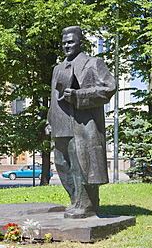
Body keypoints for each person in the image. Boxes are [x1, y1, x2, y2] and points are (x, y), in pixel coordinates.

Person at [48, 26, 116, 218]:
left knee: (82, 165)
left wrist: (79, 96)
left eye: (70, 42)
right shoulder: (58, 68)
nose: (66, 46)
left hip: (82, 124)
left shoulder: (94, 63)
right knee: (62, 164)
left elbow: (109, 89)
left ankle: (87, 206)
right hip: (60, 124)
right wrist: (49, 121)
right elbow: (53, 98)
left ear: (80, 43)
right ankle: (75, 201)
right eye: (64, 43)